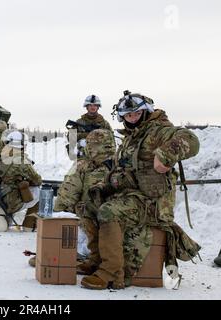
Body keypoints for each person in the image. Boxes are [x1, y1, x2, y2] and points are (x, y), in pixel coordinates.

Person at [81, 90, 201, 290]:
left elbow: (191, 140)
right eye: (128, 115)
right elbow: (125, 170)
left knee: (108, 211)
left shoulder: (157, 131)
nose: (132, 118)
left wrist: (166, 154)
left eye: (136, 114)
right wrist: (106, 186)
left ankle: (112, 273)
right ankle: (96, 260)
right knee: (89, 204)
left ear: (145, 112)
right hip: (130, 195)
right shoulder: (131, 137)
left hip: (152, 203)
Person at [53, 129, 116, 275]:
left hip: (88, 227)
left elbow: (66, 195)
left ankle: (83, 257)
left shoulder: (82, 166)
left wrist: (55, 221)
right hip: (115, 230)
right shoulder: (122, 164)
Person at [0, 130, 42, 232]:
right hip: (10, 201)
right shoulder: (21, 160)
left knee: (12, 188)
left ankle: (1, 213)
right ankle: (28, 226)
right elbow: (37, 180)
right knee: (39, 193)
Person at [67, 94, 113, 159]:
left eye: (95, 105)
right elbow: (70, 137)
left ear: (98, 107)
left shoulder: (104, 123)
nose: (93, 107)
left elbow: (111, 138)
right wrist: (86, 135)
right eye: (90, 105)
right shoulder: (79, 122)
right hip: (83, 157)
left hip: (101, 156)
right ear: (86, 107)